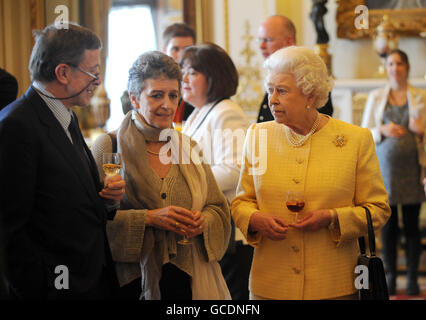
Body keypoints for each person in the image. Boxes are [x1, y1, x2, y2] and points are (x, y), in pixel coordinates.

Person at [231, 46, 391, 300]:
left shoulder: (356, 139)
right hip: (270, 285)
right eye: (270, 89)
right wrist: (254, 219)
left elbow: (378, 210)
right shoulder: (258, 135)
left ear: (310, 95)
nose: (272, 99)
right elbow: (241, 202)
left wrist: (332, 218)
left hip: (334, 285)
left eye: (282, 91)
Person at [91, 51, 231, 300]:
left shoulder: (189, 147)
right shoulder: (108, 146)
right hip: (128, 282)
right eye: (156, 95)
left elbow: (217, 207)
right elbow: (90, 222)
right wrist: (148, 218)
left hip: (185, 282)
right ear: (134, 99)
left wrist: (203, 222)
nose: (167, 105)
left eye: (173, 95)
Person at [0, 23, 126, 299]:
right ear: (63, 73)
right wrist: (42, 287)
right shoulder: (16, 126)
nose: (97, 81)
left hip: (90, 278)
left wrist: (103, 200)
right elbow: (9, 230)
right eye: (92, 72)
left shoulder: (66, 114)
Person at [180, 43, 252, 300]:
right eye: (183, 72)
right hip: (208, 224)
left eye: (192, 72)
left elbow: (233, 170)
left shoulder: (226, 112)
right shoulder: (198, 113)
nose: (184, 79)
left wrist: (186, 185)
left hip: (229, 228)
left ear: (213, 76)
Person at [361, 49, 426, 296]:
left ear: (407, 67)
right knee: (388, 226)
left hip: (412, 170)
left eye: (399, 63)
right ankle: (390, 276)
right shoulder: (376, 97)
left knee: (410, 226)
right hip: (385, 171)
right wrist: (383, 130)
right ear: (386, 68)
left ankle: (410, 277)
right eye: (390, 63)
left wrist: (420, 131)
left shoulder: (420, 96)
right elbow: (364, 132)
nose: (395, 68)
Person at [256, 15, 333, 123]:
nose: (261, 46)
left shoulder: (310, 73)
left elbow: (314, 125)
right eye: (259, 40)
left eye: (268, 40)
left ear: (289, 41)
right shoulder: (274, 75)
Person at [162, 23, 196, 125]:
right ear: (165, 50)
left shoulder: (201, 85)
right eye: (175, 49)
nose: (181, 55)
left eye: (187, 49)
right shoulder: (153, 82)